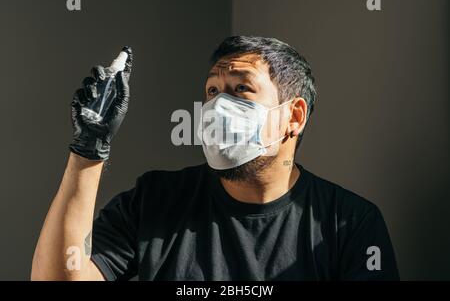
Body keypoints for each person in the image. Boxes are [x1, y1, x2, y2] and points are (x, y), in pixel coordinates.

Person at [31, 36, 399, 281]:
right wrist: (88, 150)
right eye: (212, 90)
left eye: (241, 89)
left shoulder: (348, 224)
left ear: (294, 117)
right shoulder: (156, 200)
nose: (219, 106)